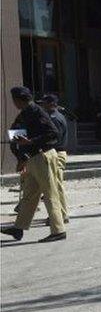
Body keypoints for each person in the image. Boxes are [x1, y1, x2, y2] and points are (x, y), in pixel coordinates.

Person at [1, 87, 67, 242]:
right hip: (31, 159)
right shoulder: (24, 113)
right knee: (29, 196)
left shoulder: (38, 112)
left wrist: (31, 141)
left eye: (14, 99)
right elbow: (15, 134)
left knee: (50, 194)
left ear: (19, 99)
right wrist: (20, 157)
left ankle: (58, 230)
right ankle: (18, 228)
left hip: (43, 156)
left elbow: (54, 134)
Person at [40, 94, 69, 224]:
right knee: (55, 185)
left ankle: (61, 214)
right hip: (57, 152)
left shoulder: (54, 118)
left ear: (51, 104)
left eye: (44, 103)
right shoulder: (57, 116)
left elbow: (54, 138)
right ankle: (61, 213)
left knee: (56, 185)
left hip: (56, 153)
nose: (42, 106)